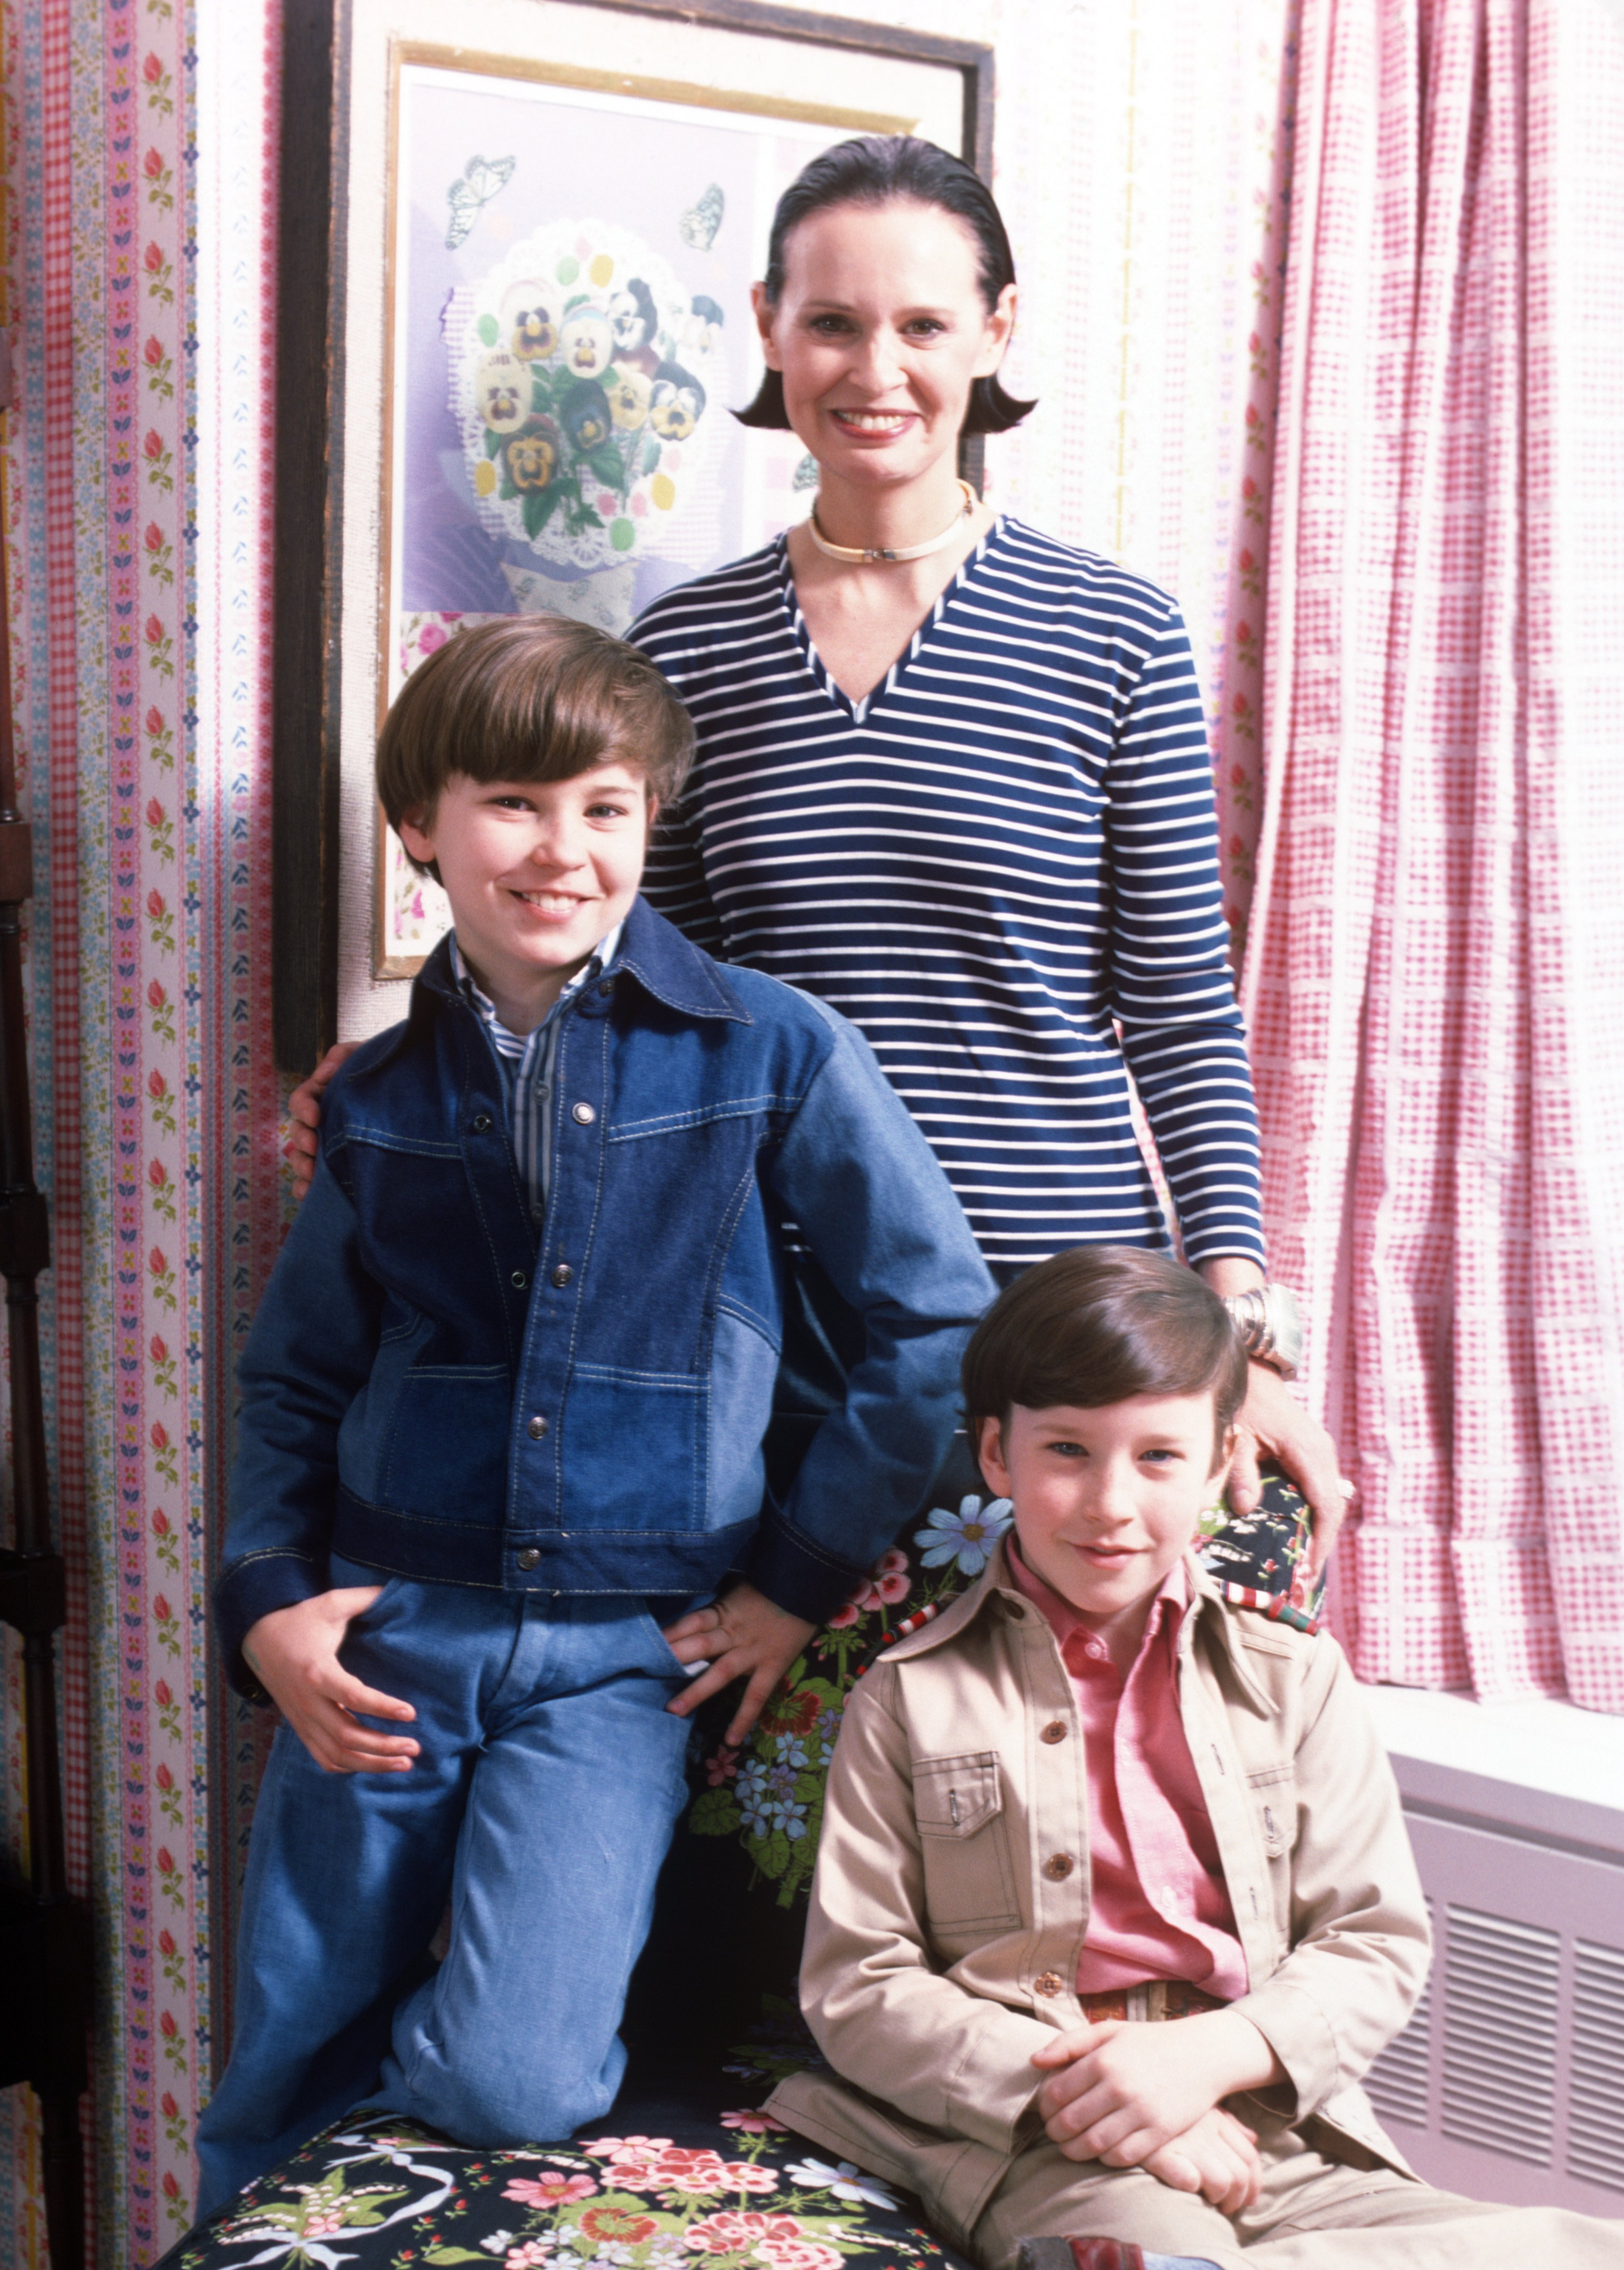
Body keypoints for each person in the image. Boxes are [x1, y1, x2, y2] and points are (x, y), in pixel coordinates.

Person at [285, 133, 1345, 1578]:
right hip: (785, 1332)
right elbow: (645, 985)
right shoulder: (690, 649)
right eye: (834, 322)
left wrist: (1236, 1327)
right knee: (812, 1792)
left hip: (1069, 1320)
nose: (876, 369)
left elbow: (1181, 1014)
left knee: (1088, 1780)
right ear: (772, 328)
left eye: (922, 325)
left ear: (996, 332)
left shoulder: (1116, 636)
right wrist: (413, 1061)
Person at [195, 615, 992, 2215]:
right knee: (284, 2046)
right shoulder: (370, 1100)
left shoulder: (768, 1049)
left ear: (647, 824)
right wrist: (272, 1611)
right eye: (513, 803)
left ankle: (411, 2201)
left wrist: (793, 1579)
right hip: (384, 1631)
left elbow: (937, 1319)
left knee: (520, 2081)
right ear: (422, 826)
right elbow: (294, 1379)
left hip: (624, 1657)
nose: (562, 850)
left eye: (606, 808)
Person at [763, 1246, 1624, 2270]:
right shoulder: (907, 1700)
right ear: (995, 1453)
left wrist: (1215, 2058)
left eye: (1158, 1456)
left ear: (1228, 1464)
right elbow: (859, 1989)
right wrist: (1118, 2093)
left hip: (1276, 2123)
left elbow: (1375, 1942)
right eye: (1066, 1453)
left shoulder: (1301, 1682)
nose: (1111, 1503)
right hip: (1061, 2135)